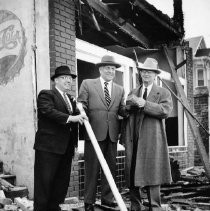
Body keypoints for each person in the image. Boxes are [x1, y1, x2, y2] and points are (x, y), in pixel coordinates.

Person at [121, 58, 173, 211]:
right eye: (143, 71)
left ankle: (155, 207)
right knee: (132, 171)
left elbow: (165, 111)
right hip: (133, 137)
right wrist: (128, 106)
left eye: (149, 72)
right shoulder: (133, 91)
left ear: (155, 74)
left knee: (152, 171)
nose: (146, 74)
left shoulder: (163, 92)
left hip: (152, 138)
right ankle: (136, 206)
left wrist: (145, 104)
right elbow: (125, 111)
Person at [33, 66, 87, 211]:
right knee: (44, 184)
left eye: (70, 78)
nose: (68, 81)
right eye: (64, 77)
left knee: (61, 184)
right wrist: (72, 117)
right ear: (55, 80)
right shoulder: (46, 94)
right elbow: (48, 111)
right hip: (48, 148)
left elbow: (78, 120)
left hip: (66, 149)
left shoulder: (71, 99)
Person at [77, 55, 128, 211]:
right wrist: (82, 113)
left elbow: (121, 110)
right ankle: (89, 202)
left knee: (110, 168)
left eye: (113, 69)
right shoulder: (87, 84)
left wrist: (131, 108)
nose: (111, 71)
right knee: (92, 168)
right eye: (107, 68)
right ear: (100, 69)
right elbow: (81, 104)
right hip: (93, 133)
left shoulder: (120, 89)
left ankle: (107, 199)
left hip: (112, 134)